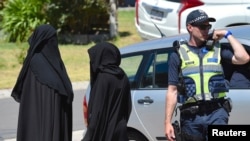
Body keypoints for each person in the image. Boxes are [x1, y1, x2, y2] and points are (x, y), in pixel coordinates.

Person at [164, 9, 250, 141]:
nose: (206, 30)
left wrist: (227, 33)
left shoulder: (217, 49)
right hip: (191, 118)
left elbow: (243, 58)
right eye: (202, 26)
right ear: (190, 28)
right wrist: (167, 122)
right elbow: (172, 91)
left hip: (217, 113)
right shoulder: (177, 55)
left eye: (208, 26)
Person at [11, 24, 74, 141]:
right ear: (44, 42)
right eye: (52, 40)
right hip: (43, 127)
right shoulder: (37, 65)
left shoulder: (52, 63)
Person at [82, 42, 132, 141]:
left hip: (104, 132)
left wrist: (90, 134)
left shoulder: (103, 78)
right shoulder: (122, 76)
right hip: (119, 131)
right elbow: (127, 106)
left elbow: (97, 110)